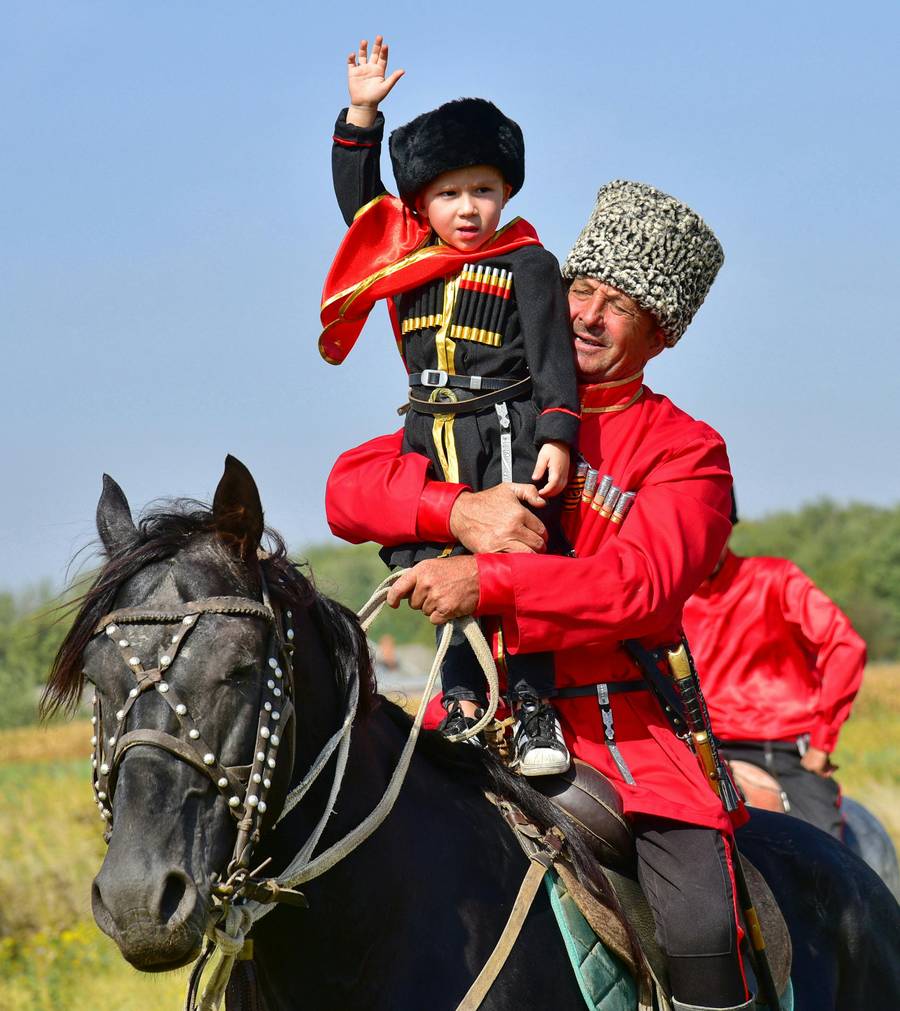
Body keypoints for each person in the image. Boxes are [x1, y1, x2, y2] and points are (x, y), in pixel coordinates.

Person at [327, 179, 758, 1011]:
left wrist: (484, 577)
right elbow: (348, 489)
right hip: (471, 715)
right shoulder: (486, 406)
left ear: (660, 334)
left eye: (619, 305)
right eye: (581, 290)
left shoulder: (688, 452)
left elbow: (640, 587)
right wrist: (454, 507)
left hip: (623, 736)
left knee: (703, 916)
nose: (588, 316)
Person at [321, 36, 581, 775]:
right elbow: (359, 205)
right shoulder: (405, 260)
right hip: (429, 433)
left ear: (507, 193)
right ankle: (462, 701)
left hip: (508, 428)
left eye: (484, 190)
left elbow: (552, 356)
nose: (468, 208)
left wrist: (558, 431)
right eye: (448, 193)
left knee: (519, 562)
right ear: (421, 201)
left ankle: (534, 708)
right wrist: (362, 114)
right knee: (446, 569)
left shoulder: (529, 263)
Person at [682, 501, 867, 839]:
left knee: (822, 854)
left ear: (729, 528)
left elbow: (845, 646)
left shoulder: (776, 578)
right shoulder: (670, 596)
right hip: (700, 748)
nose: (704, 541)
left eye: (714, 530)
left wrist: (823, 742)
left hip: (779, 746)